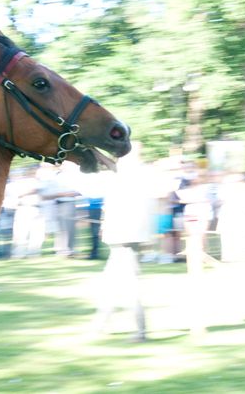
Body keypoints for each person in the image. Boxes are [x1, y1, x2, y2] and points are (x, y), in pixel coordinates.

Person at [91, 142, 152, 341]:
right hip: (121, 237)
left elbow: (108, 163)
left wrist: (92, 149)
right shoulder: (128, 174)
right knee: (110, 284)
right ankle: (100, 325)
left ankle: (140, 332)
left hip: (126, 238)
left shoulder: (131, 172)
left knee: (129, 286)